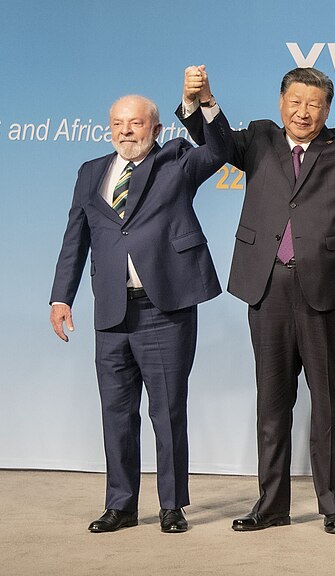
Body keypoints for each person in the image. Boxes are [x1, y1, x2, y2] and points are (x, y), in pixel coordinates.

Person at [176, 67, 335, 534]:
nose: (304, 112)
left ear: (328, 110)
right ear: (281, 101)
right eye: (296, 102)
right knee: (272, 403)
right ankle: (271, 505)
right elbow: (215, 142)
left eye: (315, 105)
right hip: (267, 286)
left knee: (329, 404)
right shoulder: (260, 138)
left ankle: (334, 505)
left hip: (327, 288)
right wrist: (203, 101)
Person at [49, 67, 231, 533]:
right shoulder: (91, 172)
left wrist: (204, 102)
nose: (126, 131)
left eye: (136, 123)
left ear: (156, 128)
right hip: (111, 310)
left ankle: (171, 506)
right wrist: (61, 297)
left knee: (167, 411)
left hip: (163, 308)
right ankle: (121, 505)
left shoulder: (177, 160)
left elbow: (220, 149)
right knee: (116, 413)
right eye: (118, 124)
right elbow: (75, 239)